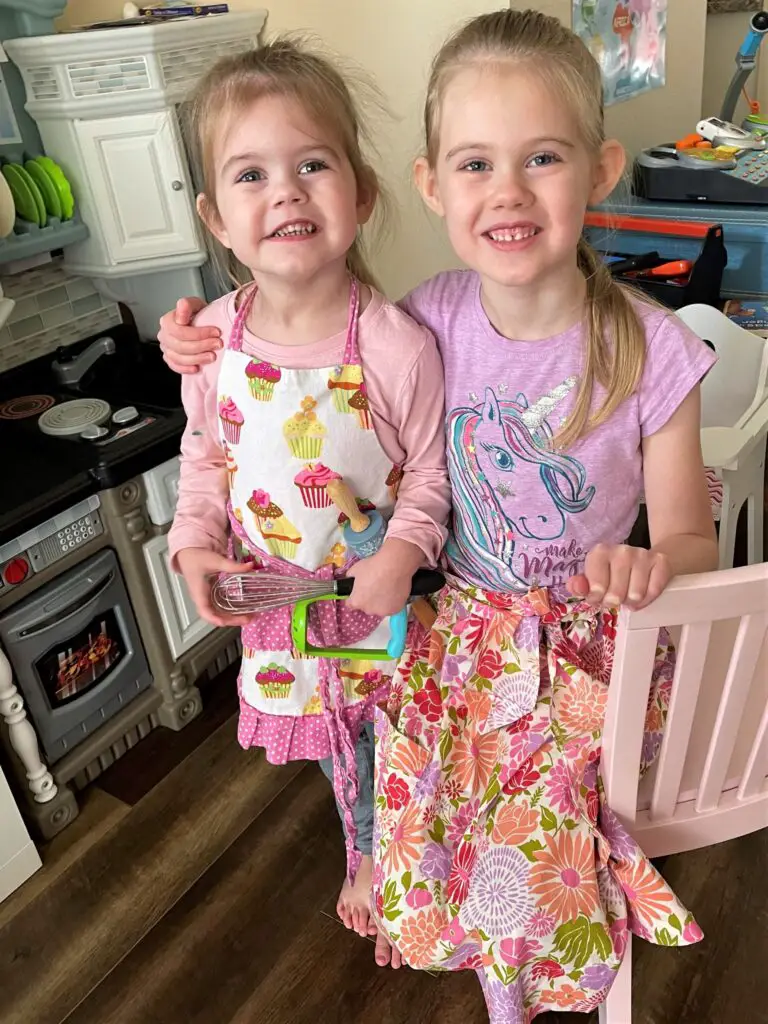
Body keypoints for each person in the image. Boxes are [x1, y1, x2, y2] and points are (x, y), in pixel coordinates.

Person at [159, 10, 719, 1016]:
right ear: (429, 186)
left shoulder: (651, 348)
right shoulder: (427, 322)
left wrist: (652, 562)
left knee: (524, 786)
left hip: (592, 643)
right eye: (474, 164)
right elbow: (307, 316)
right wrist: (198, 334)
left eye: (541, 158)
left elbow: (688, 532)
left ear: (598, 170)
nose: (506, 190)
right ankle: (482, 948)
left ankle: (529, 986)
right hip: (465, 629)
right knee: (420, 769)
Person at [166, 38, 449, 954]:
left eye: (312, 165)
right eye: (251, 174)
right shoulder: (211, 342)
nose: (285, 191)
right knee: (335, 746)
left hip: (376, 596)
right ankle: (364, 855)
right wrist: (193, 546)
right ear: (216, 216)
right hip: (279, 604)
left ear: (361, 194)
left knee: (397, 743)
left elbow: (434, 474)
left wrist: (402, 555)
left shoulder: (398, 346)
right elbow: (205, 459)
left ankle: (408, 858)